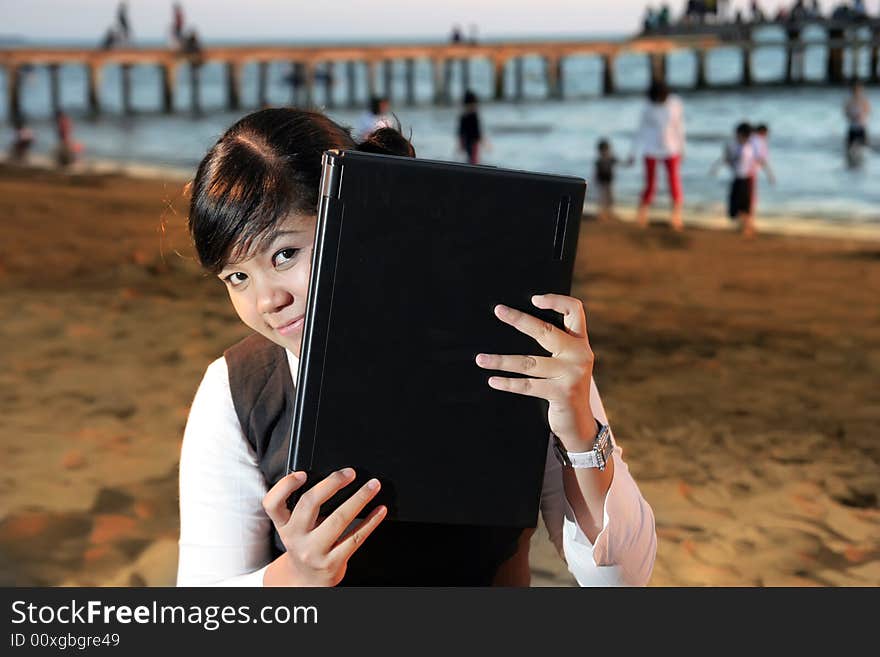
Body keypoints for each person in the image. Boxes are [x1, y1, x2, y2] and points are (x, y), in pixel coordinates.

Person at [176, 107, 657, 587]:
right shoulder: (237, 391)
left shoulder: (513, 350)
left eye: (285, 254)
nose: (267, 300)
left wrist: (580, 433)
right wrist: (297, 575)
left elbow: (621, 582)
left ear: (355, 213)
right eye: (237, 277)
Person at [629, 80, 686, 231]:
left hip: (671, 148)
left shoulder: (675, 103)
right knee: (650, 184)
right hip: (651, 149)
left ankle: (676, 216)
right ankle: (642, 215)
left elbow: (679, 127)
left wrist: (682, 148)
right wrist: (633, 152)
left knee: (674, 183)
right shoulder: (647, 106)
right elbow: (640, 130)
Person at [710, 122, 757, 239]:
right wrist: (716, 168)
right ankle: (745, 226)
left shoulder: (749, 147)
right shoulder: (734, 145)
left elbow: (754, 162)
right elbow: (726, 158)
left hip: (745, 178)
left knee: (744, 205)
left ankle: (747, 227)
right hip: (738, 178)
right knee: (736, 207)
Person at [844, 82, 870, 166]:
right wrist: (851, 117)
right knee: (849, 149)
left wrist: (861, 117)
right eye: (855, 90)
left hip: (861, 127)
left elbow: (867, 111)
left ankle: (861, 163)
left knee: (863, 148)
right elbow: (845, 113)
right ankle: (851, 163)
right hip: (852, 128)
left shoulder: (864, 101)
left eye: (858, 90)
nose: (856, 92)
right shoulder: (849, 102)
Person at [593, 139, 619, 222]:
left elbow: (621, 163)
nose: (605, 152)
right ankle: (601, 215)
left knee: (610, 199)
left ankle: (609, 213)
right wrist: (595, 181)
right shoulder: (598, 161)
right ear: (599, 151)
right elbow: (595, 173)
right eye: (603, 151)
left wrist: (629, 162)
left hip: (609, 182)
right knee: (602, 199)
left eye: (606, 150)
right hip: (601, 183)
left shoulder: (611, 159)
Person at [458, 90, 483, 165]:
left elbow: (478, 129)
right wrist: (461, 142)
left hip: (474, 140)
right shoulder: (464, 116)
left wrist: (481, 139)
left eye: (474, 105)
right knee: (470, 156)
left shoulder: (475, 115)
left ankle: (473, 167)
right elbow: (461, 130)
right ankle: (472, 167)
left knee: (474, 157)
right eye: (471, 105)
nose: (473, 107)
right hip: (467, 140)